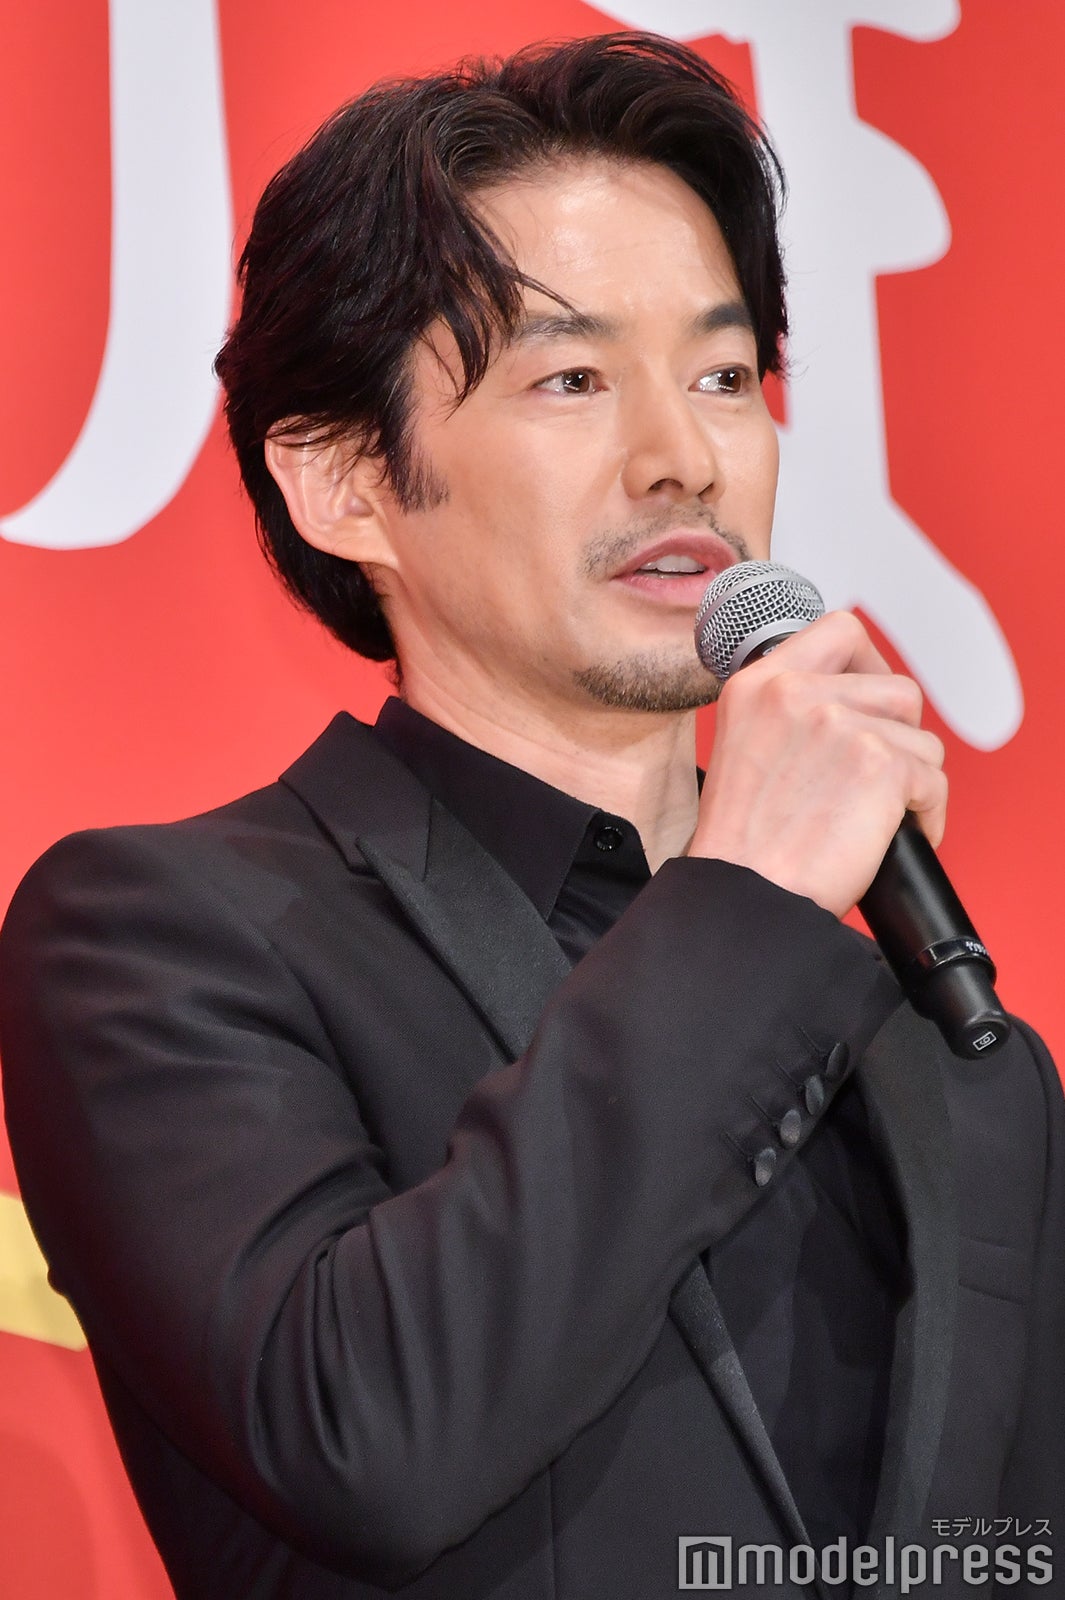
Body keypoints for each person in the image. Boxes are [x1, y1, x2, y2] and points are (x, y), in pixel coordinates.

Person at [1, 32, 1061, 1600]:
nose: (682, 457)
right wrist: (749, 895)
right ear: (344, 482)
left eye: (722, 376)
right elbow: (369, 1436)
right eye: (571, 379)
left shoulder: (952, 1048)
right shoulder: (163, 940)